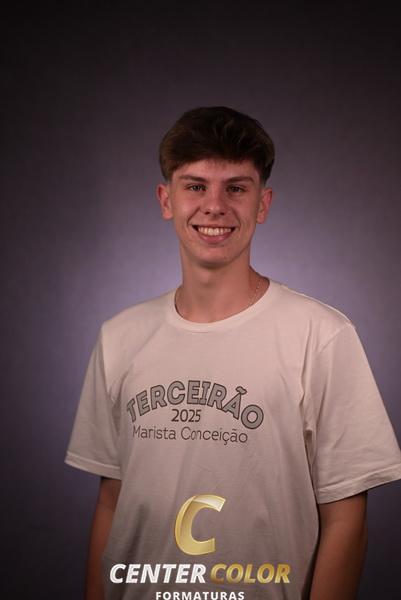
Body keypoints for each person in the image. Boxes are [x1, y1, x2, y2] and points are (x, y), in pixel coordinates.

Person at [65, 106, 401, 600]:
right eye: (195, 186)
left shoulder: (321, 336)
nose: (215, 206)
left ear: (263, 204)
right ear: (166, 199)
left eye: (236, 188)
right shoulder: (120, 337)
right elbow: (112, 501)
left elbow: (346, 517)